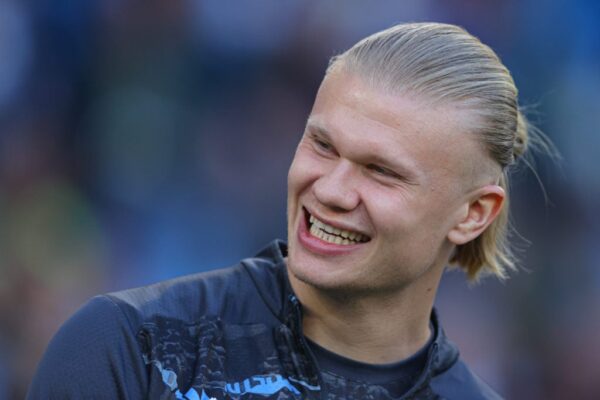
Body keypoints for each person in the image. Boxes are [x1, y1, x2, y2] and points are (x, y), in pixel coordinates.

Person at [28, 22, 538, 399]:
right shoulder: (129, 349)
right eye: (322, 146)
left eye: (381, 171)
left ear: (474, 214)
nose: (331, 190)